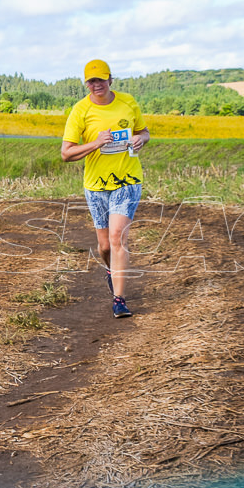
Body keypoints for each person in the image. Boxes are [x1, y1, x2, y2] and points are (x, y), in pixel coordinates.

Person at [61, 59, 149, 319]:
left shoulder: (128, 102)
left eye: (101, 79)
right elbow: (66, 153)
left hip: (127, 180)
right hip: (96, 185)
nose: (96, 85)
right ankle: (110, 270)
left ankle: (119, 300)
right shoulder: (80, 111)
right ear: (86, 84)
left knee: (117, 238)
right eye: (91, 81)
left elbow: (144, 132)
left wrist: (139, 139)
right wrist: (96, 143)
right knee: (104, 246)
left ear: (110, 79)